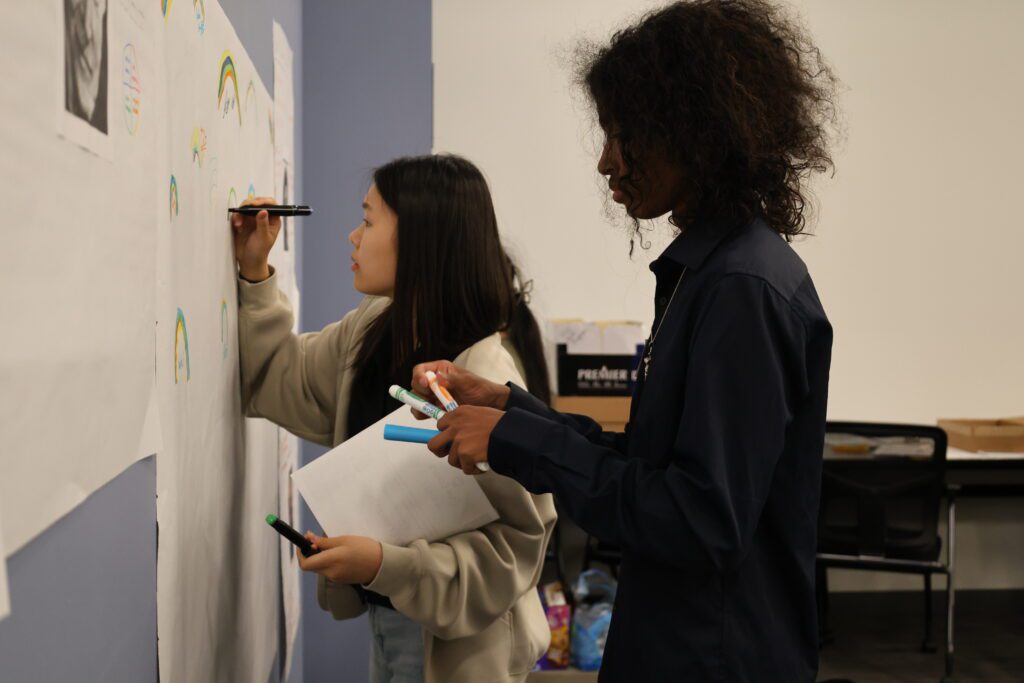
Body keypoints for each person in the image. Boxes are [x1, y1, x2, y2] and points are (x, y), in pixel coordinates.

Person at [414, 1, 837, 681]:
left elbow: (699, 519)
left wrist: (511, 440)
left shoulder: (742, 289)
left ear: (695, 128)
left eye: (622, 133)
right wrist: (509, 409)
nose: (607, 162)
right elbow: (653, 466)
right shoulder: (710, 274)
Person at [231, 154, 554, 683]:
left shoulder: (486, 379)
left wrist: (385, 564)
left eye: (368, 220)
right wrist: (254, 271)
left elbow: (510, 556)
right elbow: (276, 379)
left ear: (421, 242)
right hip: (392, 618)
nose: (352, 237)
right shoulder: (375, 327)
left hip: (461, 653)